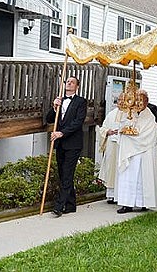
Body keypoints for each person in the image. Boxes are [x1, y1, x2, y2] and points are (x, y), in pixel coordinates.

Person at [114, 89, 157, 213]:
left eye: (142, 100)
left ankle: (143, 203)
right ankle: (127, 204)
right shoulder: (129, 113)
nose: (140, 103)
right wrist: (126, 129)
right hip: (129, 152)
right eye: (138, 100)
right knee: (128, 177)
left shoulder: (150, 116)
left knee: (143, 178)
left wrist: (136, 136)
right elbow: (121, 127)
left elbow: (151, 133)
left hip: (144, 153)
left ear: (147, 102)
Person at [46, 76, 87, 217]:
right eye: (67, 81)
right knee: (63, 174)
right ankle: (71, 205)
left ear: (77, 86)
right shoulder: (60, 100)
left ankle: (59, 206)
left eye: (72, 82)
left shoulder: (81, 102)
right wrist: (54, 107)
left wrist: (61, 133)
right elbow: (49, 119)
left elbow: (78, 122)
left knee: (67, 174)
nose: (69, 83)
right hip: (60, 144)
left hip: (73, 143)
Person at [97, 94, 125, 204]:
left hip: (123, 145)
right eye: (119, 100)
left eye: (123, 100)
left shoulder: (129, 114)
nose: (120, 102)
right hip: (111, 144)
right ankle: (111, 195)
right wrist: (107, 131)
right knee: (111, 168)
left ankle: (121, 195)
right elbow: (103, 128)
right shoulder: (111, 114)